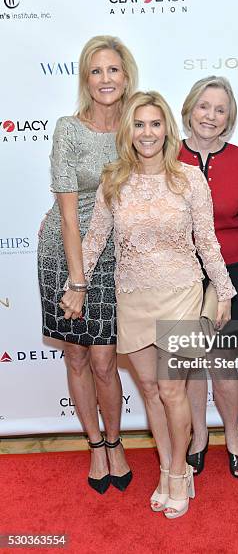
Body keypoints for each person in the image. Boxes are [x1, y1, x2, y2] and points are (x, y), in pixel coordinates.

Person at [60, 90, 236, 518]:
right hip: (133, 296)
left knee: (174, 389)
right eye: (138, 124)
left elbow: (207, 241)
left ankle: (179, 472)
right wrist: (75, 285)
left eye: (155, 123)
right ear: (128, 131)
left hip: (180, 294)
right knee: (152, 391)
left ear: (167, 129)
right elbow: (96, 239)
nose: (147, 132)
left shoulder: (189, 179)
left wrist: (225, 291)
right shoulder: (114, 180)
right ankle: (165, 467)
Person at [38, 35, 138, 494]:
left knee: (104, 360)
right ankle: (95, 445)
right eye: (96, 71)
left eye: (113, 70)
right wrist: (76, 280)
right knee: (77, 355)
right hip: (65, 251)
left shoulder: (136, 127)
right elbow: (67, 212)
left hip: (116, 251)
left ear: (126, 75)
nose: (105, 79)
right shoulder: (67, 129)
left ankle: (116, 441)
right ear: (85, 78)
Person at [179, 76, 238, 478]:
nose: (210, 116)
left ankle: (232, 436)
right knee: (190, 363)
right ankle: (198, 436)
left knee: (223, 362)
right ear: (189, 109)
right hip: (177, 273)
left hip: (227, 271)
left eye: (220, 109)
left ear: (230, 118)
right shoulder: (165, 155)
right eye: (203, 106)